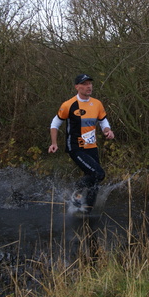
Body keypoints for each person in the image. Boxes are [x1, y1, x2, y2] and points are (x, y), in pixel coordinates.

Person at [48, 74, 115, 213]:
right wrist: (54, 143)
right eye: (84, 84)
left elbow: (103, 121)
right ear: (77, 87)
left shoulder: (97, 103)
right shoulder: (69, 105)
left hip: (92, 147)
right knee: (99, 174)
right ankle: (76, 191)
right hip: (76, 147)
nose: (88, 86)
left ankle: (86, 210)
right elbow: (55, 123)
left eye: (90, 83)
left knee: (95, 181)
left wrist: (107, 130)